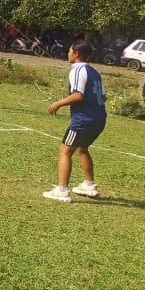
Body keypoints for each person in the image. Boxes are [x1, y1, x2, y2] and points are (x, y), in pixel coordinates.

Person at [43, 39, 106, 202]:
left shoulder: (78, 70)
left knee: (65, 151)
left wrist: (58, 103)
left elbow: (78, 95)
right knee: (82, 148)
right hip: (99, 119)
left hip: (83, 120)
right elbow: (103, 96)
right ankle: (89, 184)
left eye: (70, 51)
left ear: (77, 53)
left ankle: (62, 190)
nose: (68, 54)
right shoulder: (95, 72)